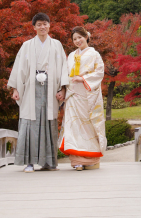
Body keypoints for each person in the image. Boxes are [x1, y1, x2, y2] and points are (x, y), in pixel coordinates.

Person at [7, 12, 69, 172]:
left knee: (49, 122)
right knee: (30, 122)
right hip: (30, 87)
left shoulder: (56, 45)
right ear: (34, 27)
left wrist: (63, 88)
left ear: (49, 25)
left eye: (45, 23)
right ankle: (29, 162)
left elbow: (64, 67)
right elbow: (18, 67)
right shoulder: (27, 45)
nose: (42, 27)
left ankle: (49, 162)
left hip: (51, 86)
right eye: (39, 24)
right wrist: (15, 88)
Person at [57, 26, 107, 170]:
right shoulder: (71, 55)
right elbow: (65, 74)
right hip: (72, 95)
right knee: (73, 126)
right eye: (74, 39)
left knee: (88, 126)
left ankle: (91, 159)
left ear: (86, 37)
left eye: (80, 37)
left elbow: (99, 72)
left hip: (87, 95)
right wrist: (63, 89)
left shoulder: (94, 54)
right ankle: (77, 161)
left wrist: (84, 78)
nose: (78, 41)